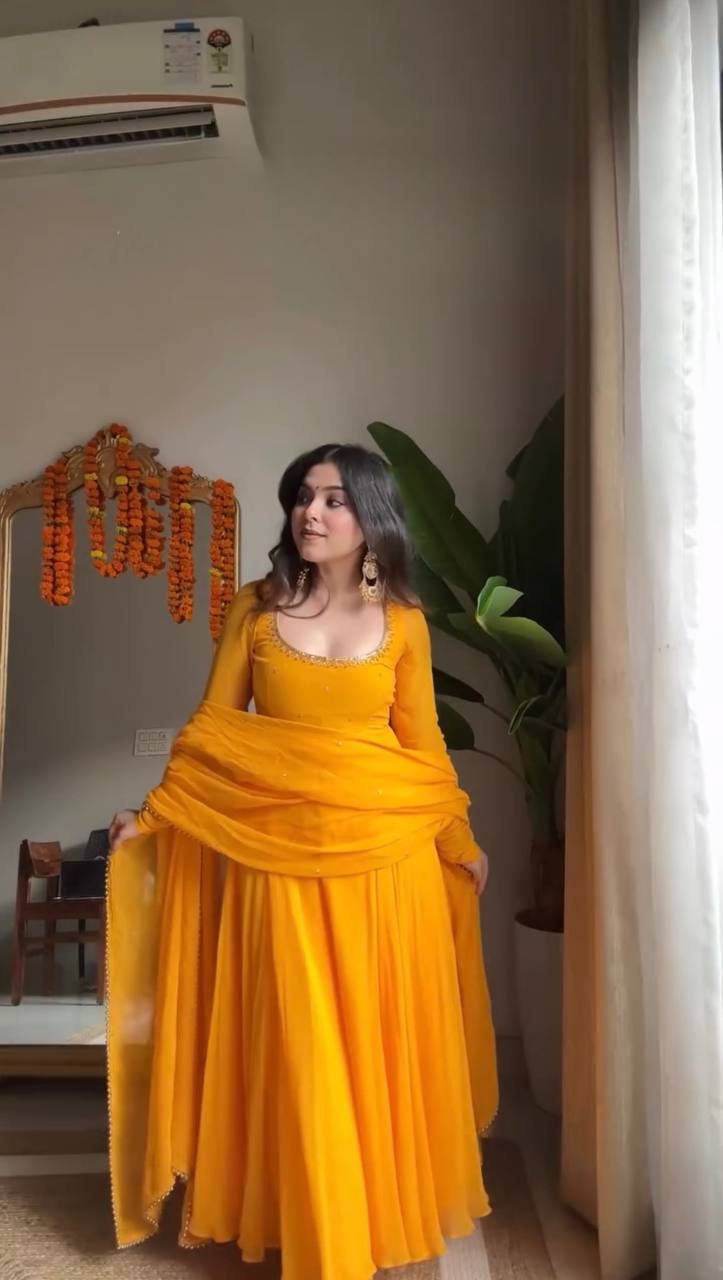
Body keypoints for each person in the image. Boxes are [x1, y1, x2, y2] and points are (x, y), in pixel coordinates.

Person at [107, 443, 498, 1280]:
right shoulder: (254, 610)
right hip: (274, 856)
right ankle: (309, 1221)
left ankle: (357, 1220)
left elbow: (422, 742)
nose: (309, 513)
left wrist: (457, 843)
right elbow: (212, 729)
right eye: (301, 497)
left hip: (382, 859)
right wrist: (152, 816)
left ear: (371, 518)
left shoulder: (403, 622)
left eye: (332, 500)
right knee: (293, 1039)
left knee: (368, 1045)